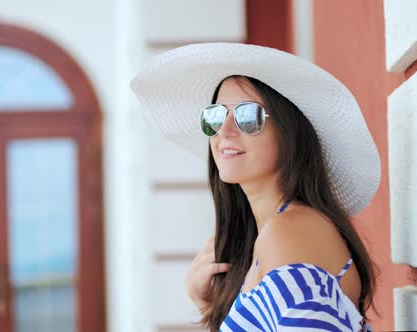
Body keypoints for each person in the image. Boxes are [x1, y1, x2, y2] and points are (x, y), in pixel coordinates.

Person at [130, 43, 380, 331]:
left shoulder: (288, 232)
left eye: (248, 116)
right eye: (216, 116)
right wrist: (209, 308)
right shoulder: (275, 233)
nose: (225, 131)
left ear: (290, 133)